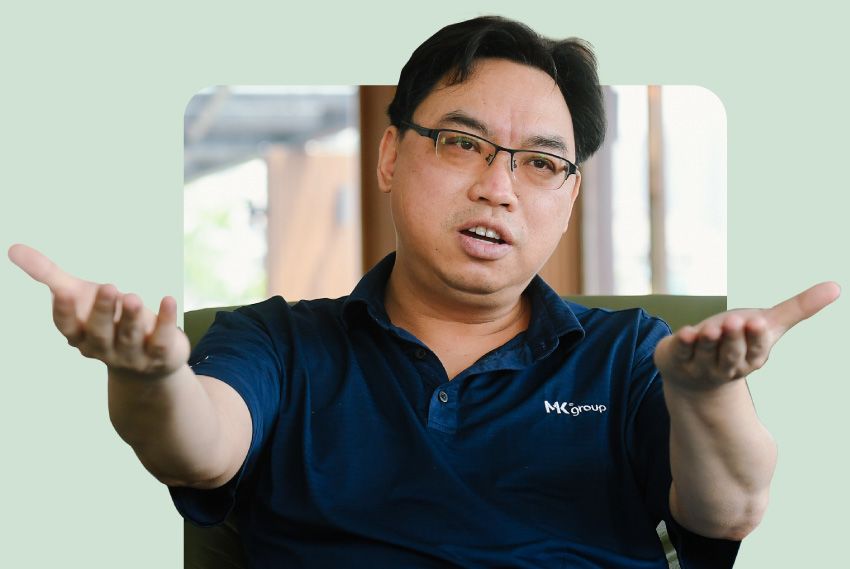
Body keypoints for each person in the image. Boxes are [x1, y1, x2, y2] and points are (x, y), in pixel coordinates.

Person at [8, 15, 840, 569]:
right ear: (390, 157)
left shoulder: (629, 355)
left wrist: (706, 396)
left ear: (569, 197)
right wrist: (149, 376)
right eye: (461, 142)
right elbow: (199, 444)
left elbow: (729, 510)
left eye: (540, 162)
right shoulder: (277, 343)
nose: (497, 188)